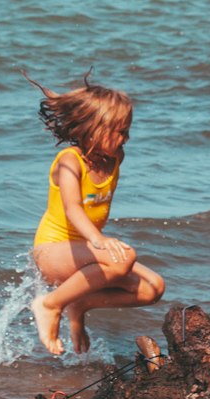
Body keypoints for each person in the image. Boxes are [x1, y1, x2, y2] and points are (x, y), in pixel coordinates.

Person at [26, 70, 165, 357]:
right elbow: (72, 208)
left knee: (153, 288)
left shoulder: (115, 157)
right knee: (123, 257)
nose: (126, 138)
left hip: (86, 253)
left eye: (127, 130)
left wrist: (96, 244)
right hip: (53, 252)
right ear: (93, 128)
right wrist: (98, 240)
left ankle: (80, 304)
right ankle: (50, 304)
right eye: (120, 131)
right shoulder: (69, 161)